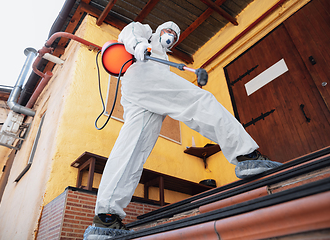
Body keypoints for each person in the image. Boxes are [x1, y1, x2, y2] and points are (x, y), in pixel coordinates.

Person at [92, 21, 282, 229]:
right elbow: (132, 29)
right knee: (200, 102)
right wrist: (138, 45)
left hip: (138, 92)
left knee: (133, 145)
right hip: (144, 75)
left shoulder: (163, 57)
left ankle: (106, 217)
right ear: (159, 30)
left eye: (174, 34)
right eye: (167, 30)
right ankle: (246, 156)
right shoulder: (147, 36)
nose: (170, 35)